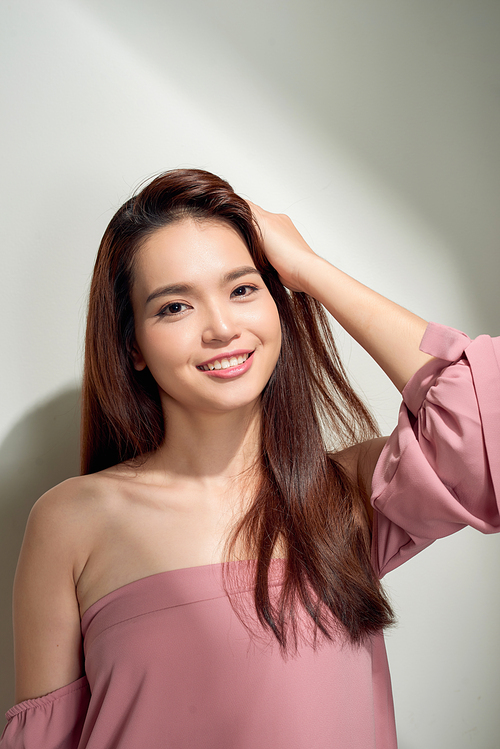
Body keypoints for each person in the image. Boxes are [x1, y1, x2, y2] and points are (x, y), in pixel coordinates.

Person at [1, 169, 499, 749]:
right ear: (132, 343)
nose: (221, 328)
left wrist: (310, 270)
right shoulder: (70, 522)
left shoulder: (346, 491)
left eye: (242, 290)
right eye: (174, 307)